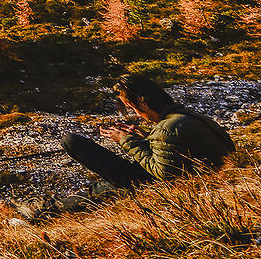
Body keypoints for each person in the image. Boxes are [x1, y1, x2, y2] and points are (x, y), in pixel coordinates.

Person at [61, 74, 235, 189]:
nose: (136, 114)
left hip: (174, 184)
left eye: (131, 107)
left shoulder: (168, 127)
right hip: (204, 176)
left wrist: (126, 140)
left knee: (72, 142)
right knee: (103, 190)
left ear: (142, 103)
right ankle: (47, 207)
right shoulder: (185, 116)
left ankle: (47, 208)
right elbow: (177, 152)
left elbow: (163, 173)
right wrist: (147, 138)